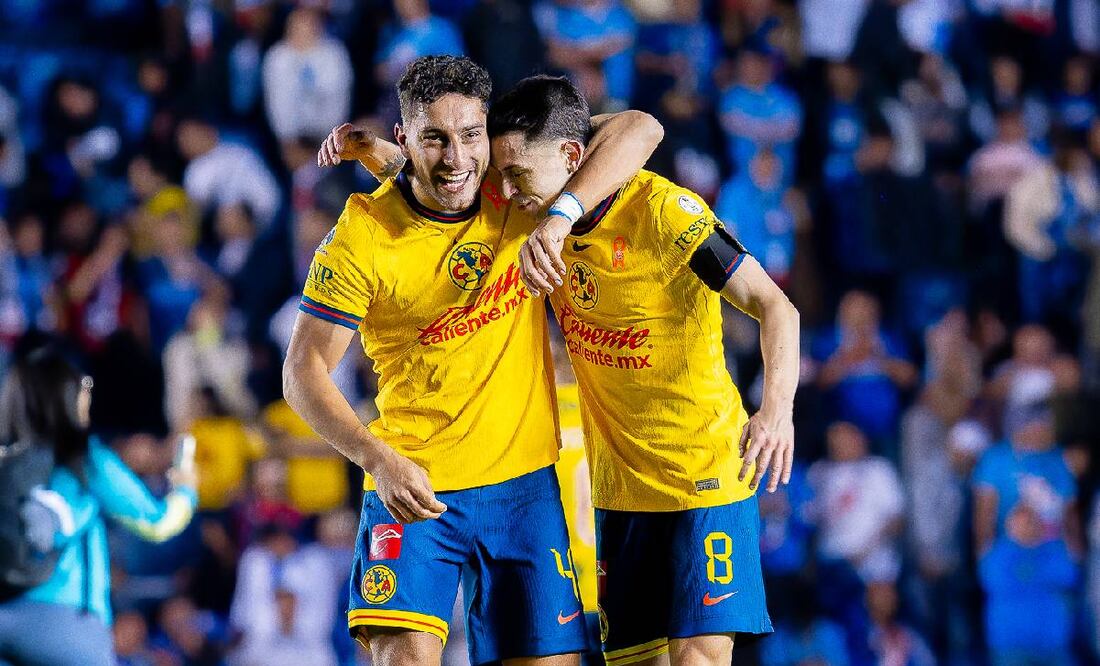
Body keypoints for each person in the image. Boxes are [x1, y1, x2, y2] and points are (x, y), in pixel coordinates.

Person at [287, 55, 662, 666]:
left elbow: (642, 127)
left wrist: (561, 218)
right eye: (434, 138)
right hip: (415, 483)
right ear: (407, 138)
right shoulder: (364, 236)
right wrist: (377, 458)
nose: (457, 157)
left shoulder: (512, 187)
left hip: (523, 485)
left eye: (469, 135)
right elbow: (301, 374)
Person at [485, 75, 799, 666]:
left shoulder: (665, 213)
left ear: (572, 157)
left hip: (702, 472)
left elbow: (775, 305)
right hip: (621, 489)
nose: (506, 190)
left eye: (518, 175)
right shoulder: (531, 207)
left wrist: (776, 409)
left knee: (698, 658)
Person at [0, 345, 197, 666]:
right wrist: (186, 489)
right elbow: (158, 523)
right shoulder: (85, 458)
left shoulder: (4, 460)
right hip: (67, 625)